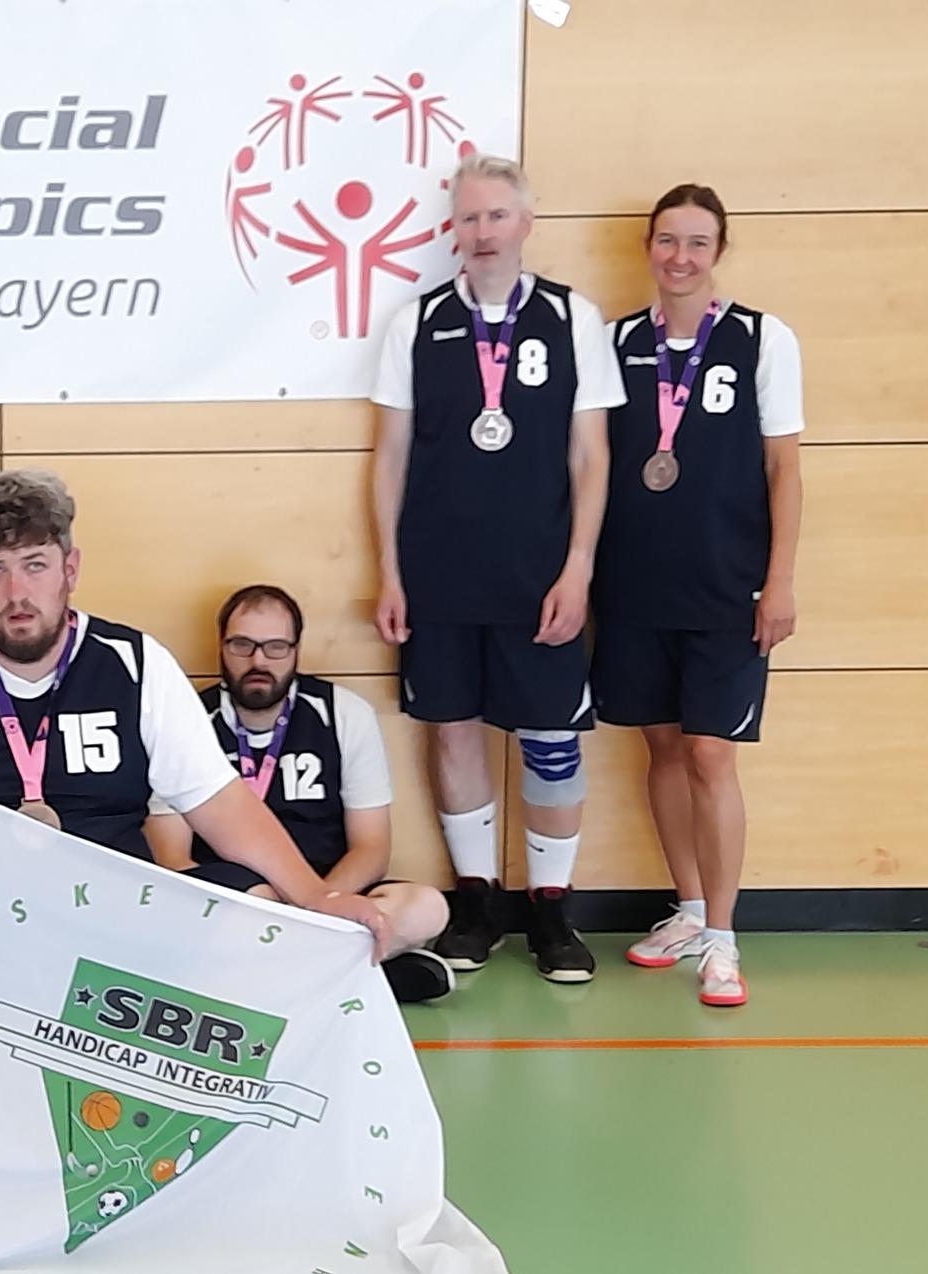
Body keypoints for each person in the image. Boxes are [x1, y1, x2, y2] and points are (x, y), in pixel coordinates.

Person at [0, 469, 394, 961]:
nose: (16, 593)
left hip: (111, 922)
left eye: (35, 565)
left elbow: (221, 806)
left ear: (70, 568)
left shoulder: (135, 664)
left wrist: (317, 895)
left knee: (253, 900)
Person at [369, 152, 626, 983]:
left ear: (525, 222)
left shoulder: (572, 318)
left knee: (551, 738)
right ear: (454, 228)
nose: (482, 232)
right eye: (469, 217)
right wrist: (390, 572)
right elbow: (390, 458)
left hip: (539, 577)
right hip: (438, 575)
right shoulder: (415, 324)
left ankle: (551, 910)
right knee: (452, 731)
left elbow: (591, 457)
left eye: (496, 215)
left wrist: (577, 568)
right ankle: (476, 903)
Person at [594, 185, 804, 1007]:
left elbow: (784, 469)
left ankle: (722, 937)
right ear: (647, 248)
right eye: (666, 241)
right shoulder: (613, 344)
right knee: (661, 747)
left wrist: (778, 579)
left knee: (711, 754)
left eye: (696, 243)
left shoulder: (761, 338)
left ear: (718, 252)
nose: (678, 257)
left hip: (726, 587)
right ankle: (685, 910)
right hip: (634, 584)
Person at [144, 585, 454, 1002]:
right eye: (242, 645)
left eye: (275, 647)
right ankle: (350, 972)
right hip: (238, 900)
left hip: (328, 887)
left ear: (296, 650)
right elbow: (173, 859)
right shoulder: (186, 721)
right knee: (207, 916)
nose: (258, 661)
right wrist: (273, 906)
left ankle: (277, 972)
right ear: (221, 646)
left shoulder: (344, 714)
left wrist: (319, 902)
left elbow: (372, 847)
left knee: (427, 906)